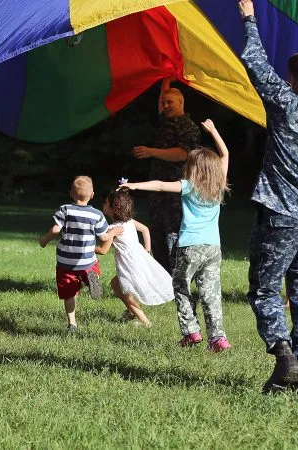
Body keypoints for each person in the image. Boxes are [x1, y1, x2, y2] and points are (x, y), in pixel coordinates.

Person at [239, 0, 298, 394]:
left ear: (291, 78)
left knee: (265, 287)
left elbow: (254, 63)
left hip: (281, 213)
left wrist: (250, 19)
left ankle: (284, 355)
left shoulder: (285, 102)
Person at [121, 119, 232, 352]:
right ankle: (218, 338)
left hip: (189, 246)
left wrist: (134, 185)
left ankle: (192, 333)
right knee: (210, 292)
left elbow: (161, 185)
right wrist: (213, 131)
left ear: (193, 169)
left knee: (181, 288)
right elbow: (224, 153)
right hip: (213, 247)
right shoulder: (219, 184)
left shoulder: (190, 186)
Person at [132, 79, 201, 273]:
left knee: (173, 236)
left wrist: (152, 152)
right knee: (158, 236)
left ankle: (179, 280)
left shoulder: (188, 126)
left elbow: (184, 153)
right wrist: (166, 78)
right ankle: (164, 280)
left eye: (170, 102)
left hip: (175, 193)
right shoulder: (165, 123)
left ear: (181, 103)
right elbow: (161, 101)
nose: (165, 106)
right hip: (158, 194)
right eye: (163, 102)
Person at [39, 176, 123, 332]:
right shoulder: (96, 214)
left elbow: (56, 230)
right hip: (86, 260)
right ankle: (92, 277)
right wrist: (113, 231)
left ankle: (72, 323)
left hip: (65, 261)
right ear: (92, 195)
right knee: (91, 268)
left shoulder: (65, 210)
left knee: (68, 293)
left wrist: (44, 240)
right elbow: (104, 237)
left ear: (71, 193)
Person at [95, 188, 174, 327]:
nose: (103, 204)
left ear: (113, 209)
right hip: (140, 259)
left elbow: (103, 250)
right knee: (120, 285)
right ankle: (131, 312)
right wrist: (147, 249)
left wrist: (86, 248)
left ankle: (144, 321)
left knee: (118, 286)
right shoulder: (129, 222)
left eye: (106, 203)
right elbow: (145, 229)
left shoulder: (113, 229)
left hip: (130, 264)